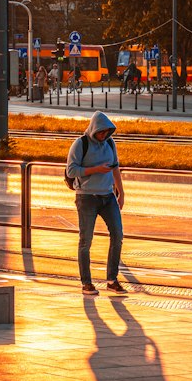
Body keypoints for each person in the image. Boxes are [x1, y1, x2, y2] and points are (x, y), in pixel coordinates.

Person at [65, 111, 126, 297]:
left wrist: (121, 192)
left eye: (107, 132)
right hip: (86, 197)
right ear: (94, 130)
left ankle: (112, 279)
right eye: (101, 132)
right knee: (86, 241)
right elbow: (71, 170)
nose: (103, 135)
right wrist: (95, 170)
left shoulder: (109, 143)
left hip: (107, 196)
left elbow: (115, 168)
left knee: (118, 235)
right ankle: (87, 283)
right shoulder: (80, 144)